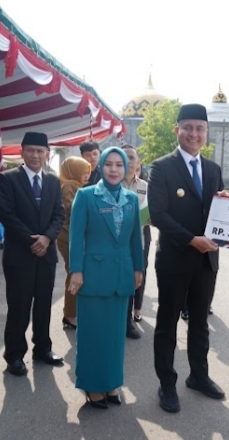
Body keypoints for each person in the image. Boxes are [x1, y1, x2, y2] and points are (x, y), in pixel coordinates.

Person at [148, 103, 225, 413]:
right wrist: (191, 240)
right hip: (175, 260)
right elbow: (158, 214)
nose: (194, 134)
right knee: (167, 324)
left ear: (206, 133)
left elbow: (221, 213)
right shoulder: (161, 166)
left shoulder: (213, 169)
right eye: (188, 127)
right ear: (177, 130)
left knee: (200, 324)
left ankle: (199, 376)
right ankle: (167, 383)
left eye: (200, 128)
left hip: (206, 262)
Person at [68, 147, 144, 408]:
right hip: (92, 275)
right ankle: (92, 387)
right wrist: (75, 270)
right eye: (109, 164)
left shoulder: (132, 199)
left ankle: (112, 383)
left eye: (119, 165)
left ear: (126, 168)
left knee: (114, 337)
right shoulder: (86, 195)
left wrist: (138, 268)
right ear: (101, 167)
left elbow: (136, 239)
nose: (114, 169)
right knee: (92, 334)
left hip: (121, 275)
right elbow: (76, 235)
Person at [0, 131, 66, 376]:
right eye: (31, 150)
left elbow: (59, 214)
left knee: (44, 305)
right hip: (19, 255)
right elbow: (7, 215)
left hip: (46, 254)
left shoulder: (53, 181)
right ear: (21, 152)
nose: (35, 155)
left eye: (40, 151)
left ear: (47, 154)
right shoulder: (7, 179)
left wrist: (47, 238)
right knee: (19, 307)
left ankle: (43, 349)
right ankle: (14, 355)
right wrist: (32, 241)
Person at [56, 156, 91, 330]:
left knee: (76, 273)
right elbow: (70, 210)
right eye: (83, 173)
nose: (86, 176)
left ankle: (72, 313)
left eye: (88, 173)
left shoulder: (77, 186)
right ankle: (69, 315)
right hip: (67, 236)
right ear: (73, 171)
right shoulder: (69, 186)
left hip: (72, 236)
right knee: (74, 274)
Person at [121, 144, 150, 339]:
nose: (129, 160)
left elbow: (148, 216)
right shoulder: (110, 184)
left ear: (138, 162)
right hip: (113, 242)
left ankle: (127, 322)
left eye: (132, 157)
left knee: (133, 279)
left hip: (137, 241)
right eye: (125, 157)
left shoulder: (145, 187)